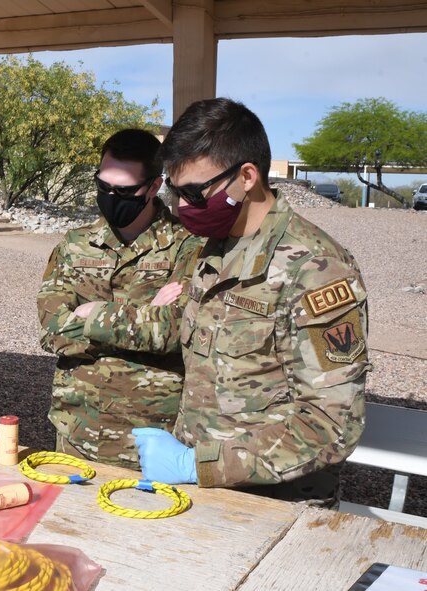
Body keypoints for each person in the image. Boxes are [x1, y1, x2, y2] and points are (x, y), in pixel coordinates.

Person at [132, 98, 369, 508]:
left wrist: (197, 464)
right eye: (176, 192)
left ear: (246, 176)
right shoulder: (218, 248)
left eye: (194, 193)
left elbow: (331, 424)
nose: (183, 207)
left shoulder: (316, 268)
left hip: (276, 505)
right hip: (205, 493)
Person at [37, 129, 202, 469]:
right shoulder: (75, 245)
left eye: (124, 191)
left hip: (153, 438)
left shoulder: (189, 246)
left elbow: (176, 331)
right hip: (76, 430)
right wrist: (144, 314)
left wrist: (91, 314)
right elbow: (52, 332)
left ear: (154, 187)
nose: (111, 196)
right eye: (103, 186)